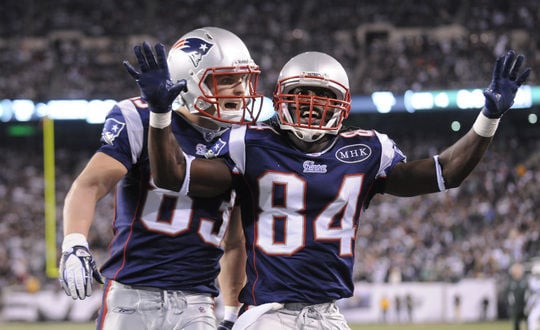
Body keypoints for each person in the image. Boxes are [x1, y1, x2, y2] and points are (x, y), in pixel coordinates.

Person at [132, 42, 529, 328]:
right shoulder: (249, 143)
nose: (310, 104)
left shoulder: (369, 149)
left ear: (343, 102)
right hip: (270, 315)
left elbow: (445, 173)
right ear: (281, 98)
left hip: (329, 315)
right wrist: (161, 113)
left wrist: (488, 118)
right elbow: (172, 176)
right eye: (301, 94)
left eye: (322, 95)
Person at [58, 26, 264, 330]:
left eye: (243, 80)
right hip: (131, 295)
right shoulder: (140, 117)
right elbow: (90, 184)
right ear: (188, 83)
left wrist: (232, 311)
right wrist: (74, 243)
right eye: (226, 80)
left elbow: (235, 241)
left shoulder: (243, 140)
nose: (239, 91)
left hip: (197, 300)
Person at [507, 262, 528, 330]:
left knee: (529, 322)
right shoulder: (511, 283)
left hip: (525, 306)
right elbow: (508, 296)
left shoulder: (525, 282)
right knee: (516, 324)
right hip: (515, 307)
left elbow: (528, 294)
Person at [527, 262, 540, 330]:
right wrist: (529, 304)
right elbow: (531, 295)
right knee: (531, 318)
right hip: (536, 304)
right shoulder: (532, 281)